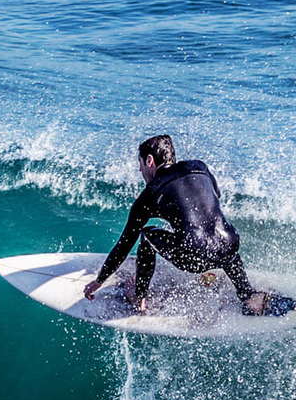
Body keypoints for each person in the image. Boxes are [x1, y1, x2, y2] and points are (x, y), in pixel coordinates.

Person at [82, 134, 270, 315]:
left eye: (140, 164)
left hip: (194, 257)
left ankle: (139, 296)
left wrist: (99, 281)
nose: (140, 171)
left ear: (149, 160)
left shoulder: (151, 192)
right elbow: (215, 196)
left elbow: (124, 244)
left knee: (147, 235)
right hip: (230, 246)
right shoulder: (199, 167)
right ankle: (248, 295)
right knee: (218, 232)